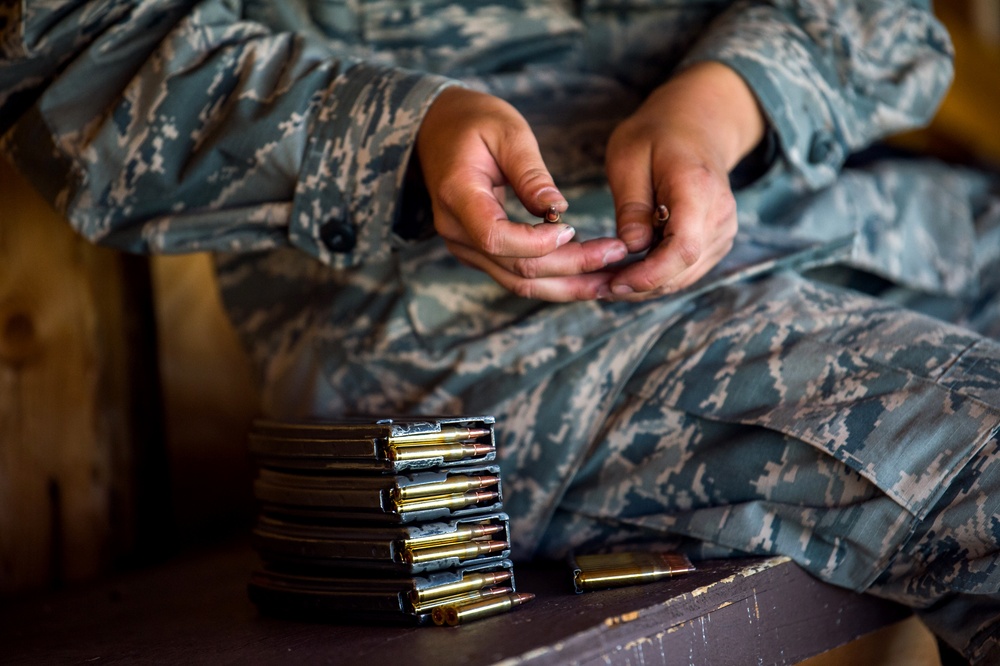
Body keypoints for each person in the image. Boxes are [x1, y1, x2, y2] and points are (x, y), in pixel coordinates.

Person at [2, 0, 998, 661]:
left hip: (845, 215)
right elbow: (68, 50)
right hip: (464, 329)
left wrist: (724, 103)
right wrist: (399, 138)